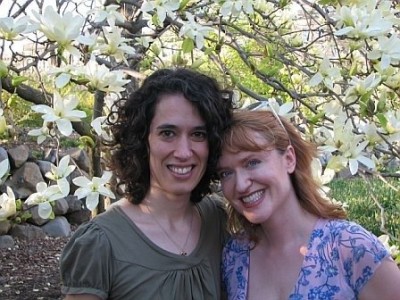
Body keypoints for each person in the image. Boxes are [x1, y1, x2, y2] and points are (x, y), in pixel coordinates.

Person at [60, 68, 233, 299]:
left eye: (198, 134)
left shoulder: (218, 220)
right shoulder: (100, 243)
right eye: (168, 133)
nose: (183, 152)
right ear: (142, 140)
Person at [217, 109, 400, 300]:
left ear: (289, 159)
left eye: (252, 163)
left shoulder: (350, 247)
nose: (240, 184)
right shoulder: (234, 255)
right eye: (225, 173)